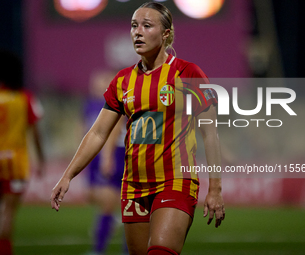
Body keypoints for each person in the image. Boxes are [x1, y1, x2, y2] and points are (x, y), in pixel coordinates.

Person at [51, 2, 225, 255]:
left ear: (166, 34)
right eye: (134, 26)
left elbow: (210, 134)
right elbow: (99, 132)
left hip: (175, 182)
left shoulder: (188, 73)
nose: (137, 32)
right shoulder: (122, 81)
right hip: (133, 186)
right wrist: (67, 175)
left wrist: (216, 189)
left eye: (146, 25)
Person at [0, 49, 45, 255]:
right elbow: (36, 132)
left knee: (0, 210)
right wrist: (41, 159)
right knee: (7, 212)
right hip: (15, 164)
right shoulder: (24, 98)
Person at [83, 71, 127, 255]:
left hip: (126, 154)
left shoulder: (119, 101)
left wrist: (106, 157)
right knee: (106, 201)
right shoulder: (96, 104)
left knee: (129, 208)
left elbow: (114, 130)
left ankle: (102, 249)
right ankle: (99, 248)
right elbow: (106, 131)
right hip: (115, 154)